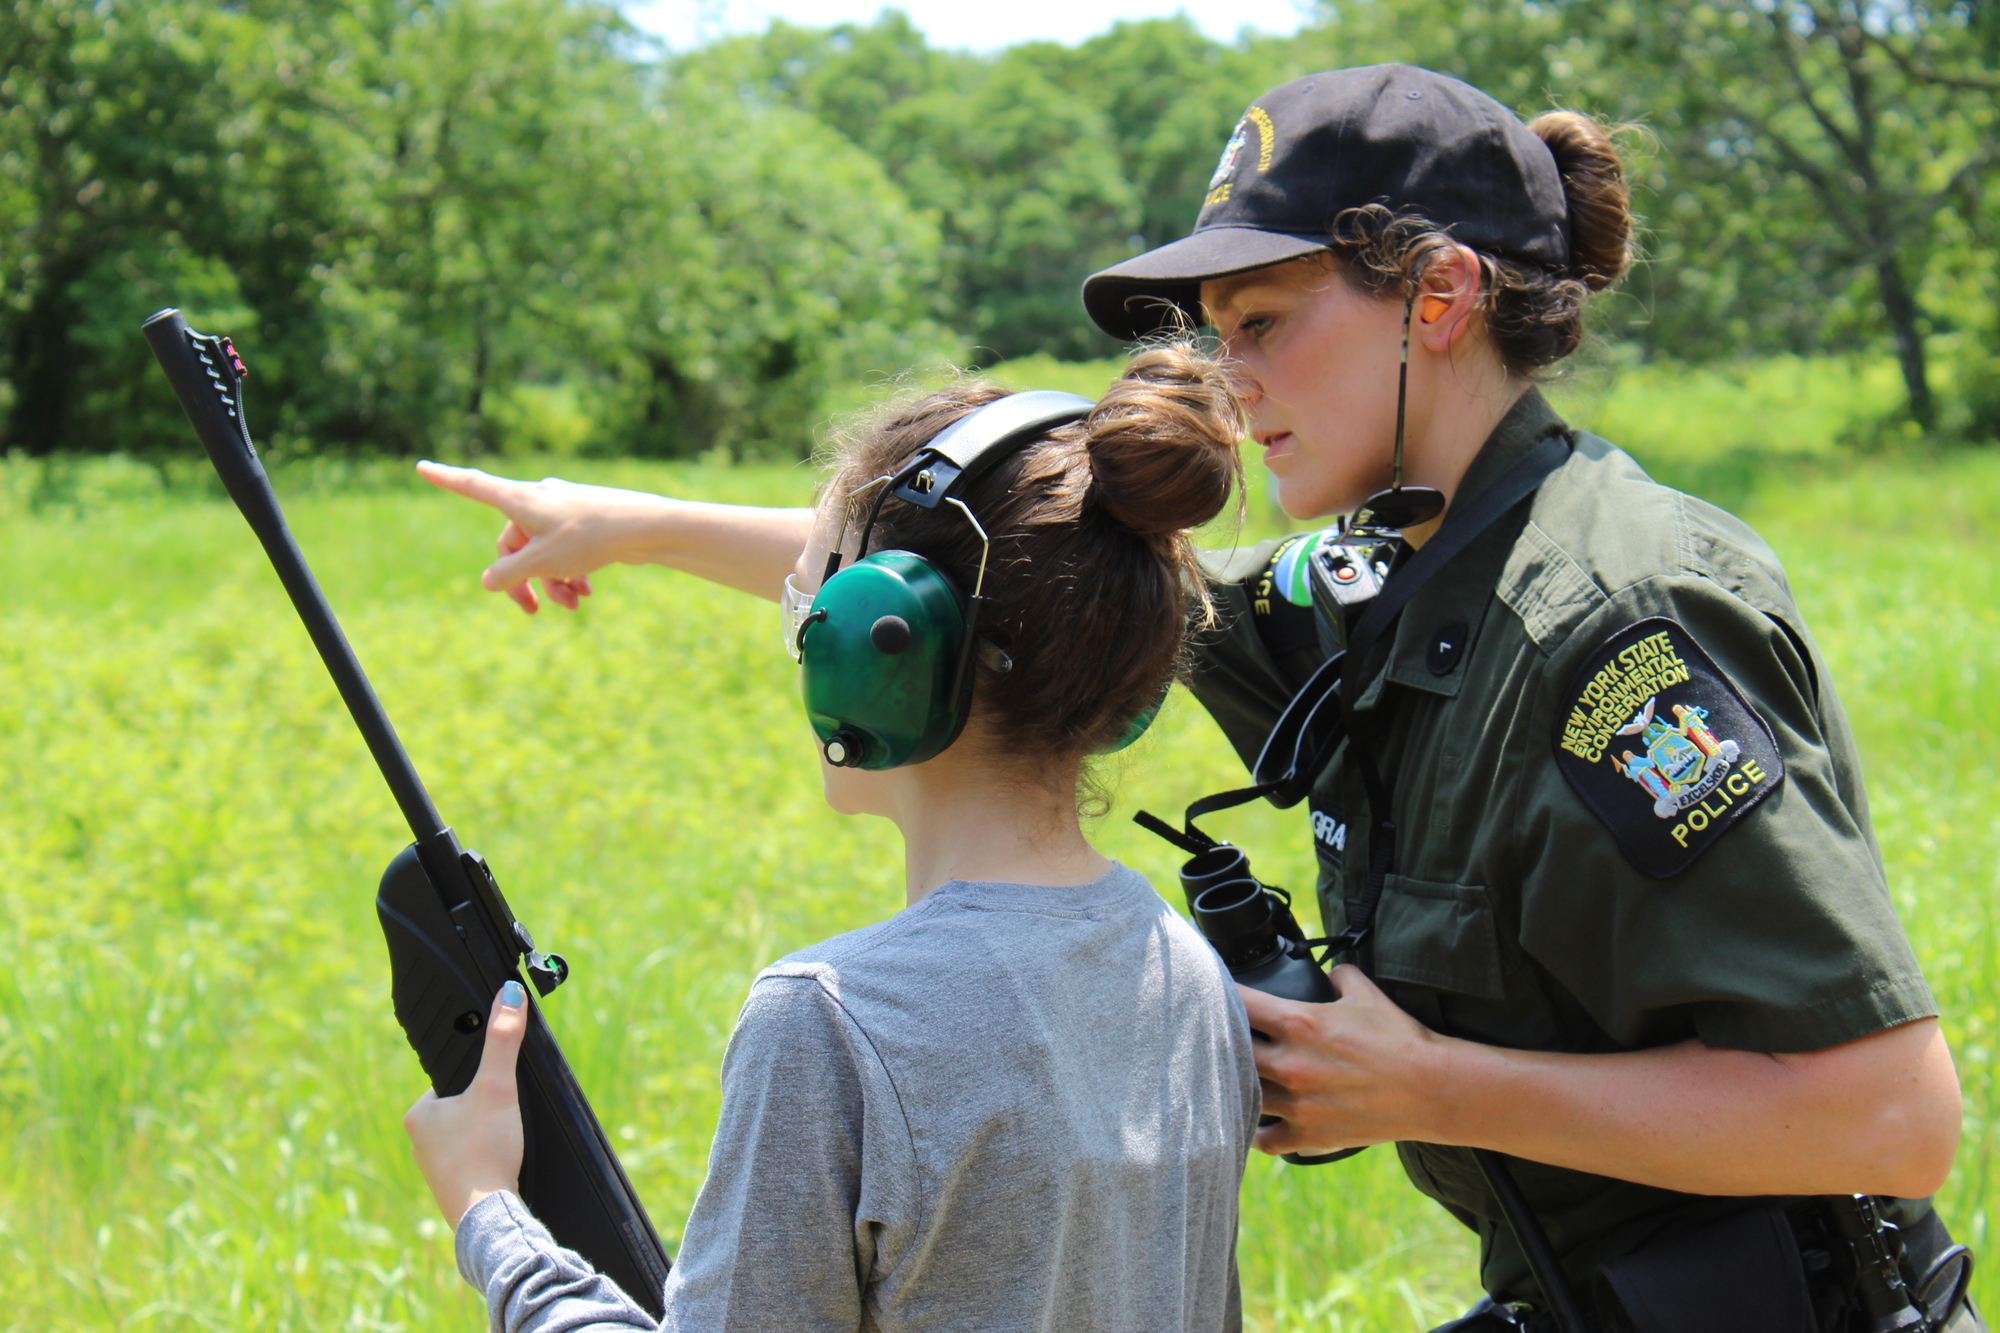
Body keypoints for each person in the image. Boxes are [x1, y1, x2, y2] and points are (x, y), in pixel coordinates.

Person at [419, 66, 1978, 1333]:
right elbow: (1005, 586)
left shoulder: (1614, 624)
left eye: (1263, 327)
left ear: (1438, 295)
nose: (1227, 389)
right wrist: (633, 521)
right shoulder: (1395, 568)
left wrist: (1430, 1085)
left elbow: (1885, 1117)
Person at [401, 346, 1262, 1332]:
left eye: (809, 602)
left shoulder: (832, 1025)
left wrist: (488, 1214)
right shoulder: (1187, 974)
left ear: (873, 642)